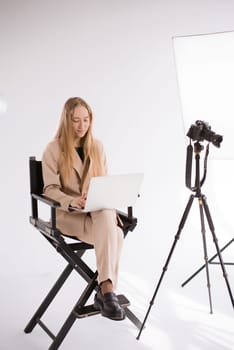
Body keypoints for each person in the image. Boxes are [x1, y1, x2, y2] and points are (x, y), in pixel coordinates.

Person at [42, 97, 125, 321]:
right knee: (115, 234)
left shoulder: (97, 147)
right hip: (67, 215)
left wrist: (104, 201)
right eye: (76, 120)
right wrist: (74, 201)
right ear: (66, 121)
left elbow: (104, 184)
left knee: (112, 224)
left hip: (96, 213)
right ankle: (107, 291)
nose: (81, 126)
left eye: (86, 120)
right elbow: (49, 189)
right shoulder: (53, 149)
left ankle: (105, 290)